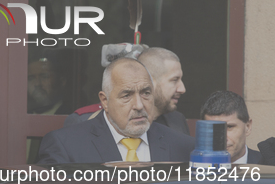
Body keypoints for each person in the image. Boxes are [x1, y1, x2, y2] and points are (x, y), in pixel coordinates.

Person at [38, 58, 194, 164]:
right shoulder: (65, 146)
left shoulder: (183, 147)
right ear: (105, 101)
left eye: (146, 93)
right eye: (126, 95)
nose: (139, 105)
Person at [64, 47, 189, 136]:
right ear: (148, 80)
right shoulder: (84, 120)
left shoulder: (177, 121)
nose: (182, 89)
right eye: (174, 80)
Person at [201, 90, 263, 164]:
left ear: (248, 127)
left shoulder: (269, 166)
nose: (221, 138)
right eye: (213, 128)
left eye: (229, 127)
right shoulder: (190, 168)